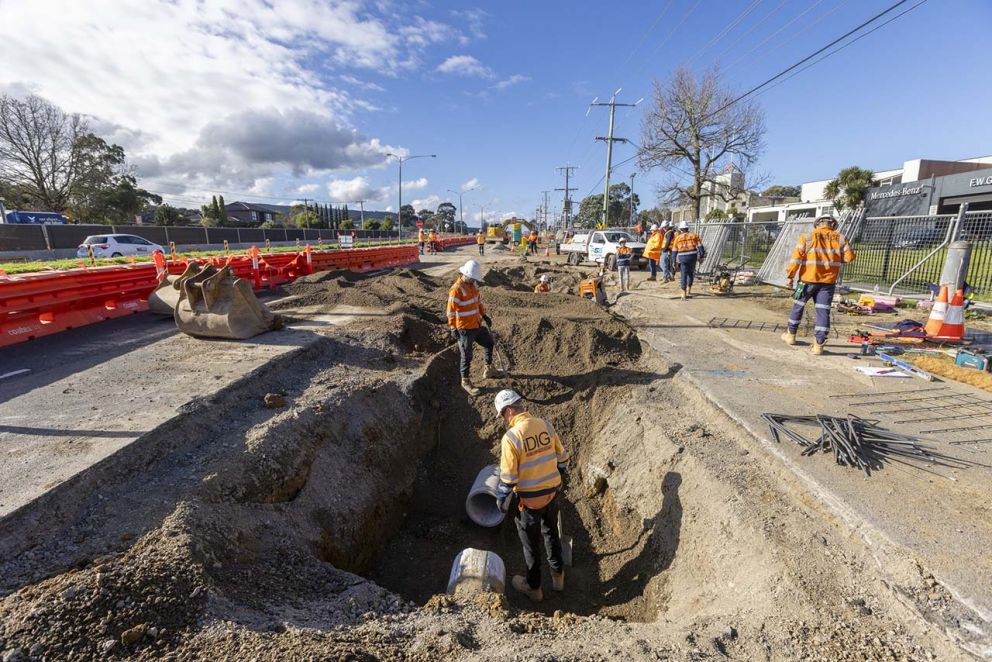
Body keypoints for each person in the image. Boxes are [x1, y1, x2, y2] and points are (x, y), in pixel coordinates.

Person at [494, 389, 570, 602]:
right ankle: (558, 576)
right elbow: (563, 459)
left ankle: (534, 588)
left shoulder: (511, 438)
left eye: (502, 415)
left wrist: (500, 500)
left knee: (531, 545)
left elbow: (508, 479)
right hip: (551, 495)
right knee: (551, 533)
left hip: (528, 501)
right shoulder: (545, 425)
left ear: (509, 411)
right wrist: (553, 477)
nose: (503, 420)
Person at [782, 215, 855, 355]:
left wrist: (790, 276)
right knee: (823, 312)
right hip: (827, 283)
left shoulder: (807, 237)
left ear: (817, 224)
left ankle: (791, 336)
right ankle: (818, 346)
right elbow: (849, 258)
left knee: (798, 306)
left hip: (806, 281)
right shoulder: (840, 238)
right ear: (833, 224)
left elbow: (796, 259)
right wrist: (835, 259)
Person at [447, 260, 500, 395]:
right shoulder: (456, 289)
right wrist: (453, 327)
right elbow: (451, 311)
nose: (474, 281)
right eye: (473, 278)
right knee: (466, 356)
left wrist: (484, 315)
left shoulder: (473, 286)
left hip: (476, 325)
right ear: (466, 274)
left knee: (489, 343)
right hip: (464, 329)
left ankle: (488, 369)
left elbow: (478, 303)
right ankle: (465, 381)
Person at [671, 221, 703, 300]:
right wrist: (701, 256)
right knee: (690, 273)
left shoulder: (677, 238)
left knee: (683, 275)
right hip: (692, 257)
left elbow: (674, 251)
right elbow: (700, 246)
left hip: (683, 258)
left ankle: (683, 294)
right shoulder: (694, 235)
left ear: (681, 229)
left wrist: (673, 261)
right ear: (687, 228)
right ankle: (689, 289)